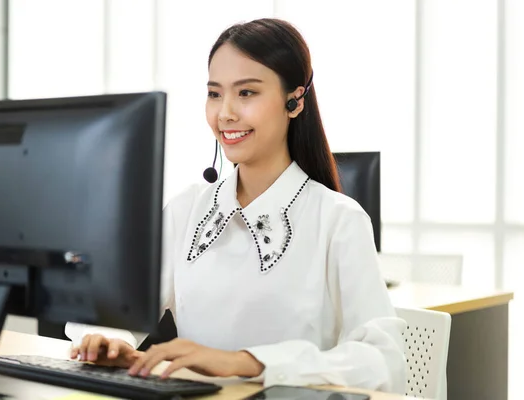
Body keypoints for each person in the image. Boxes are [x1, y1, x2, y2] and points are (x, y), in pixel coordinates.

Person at [65, 18, 406, 393]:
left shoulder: (339, 219)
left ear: (295, 102)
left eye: (246, 93)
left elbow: (383, 361)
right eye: (214, 93)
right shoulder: (187, 209)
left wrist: (246, 362)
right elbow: (118, 306)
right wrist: (108, 340)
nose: (225, 113)